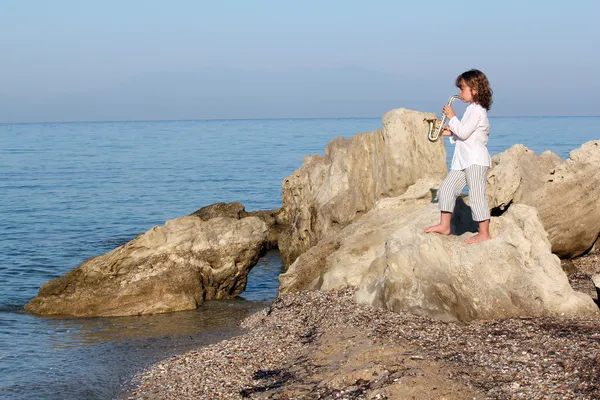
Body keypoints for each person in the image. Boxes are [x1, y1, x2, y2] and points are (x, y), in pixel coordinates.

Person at [425, 69, 493, 244]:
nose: (459, 93)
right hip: (463, 160)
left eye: (462, 89)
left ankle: (484, 233)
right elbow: (465, 134)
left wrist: (452, 117)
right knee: (446, 189)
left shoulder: (477, 110)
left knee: (477, 195)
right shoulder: (471, 110)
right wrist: (446, 132)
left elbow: (463, 132)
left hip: (476, 160)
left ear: (475, 89)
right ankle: (444, 226)